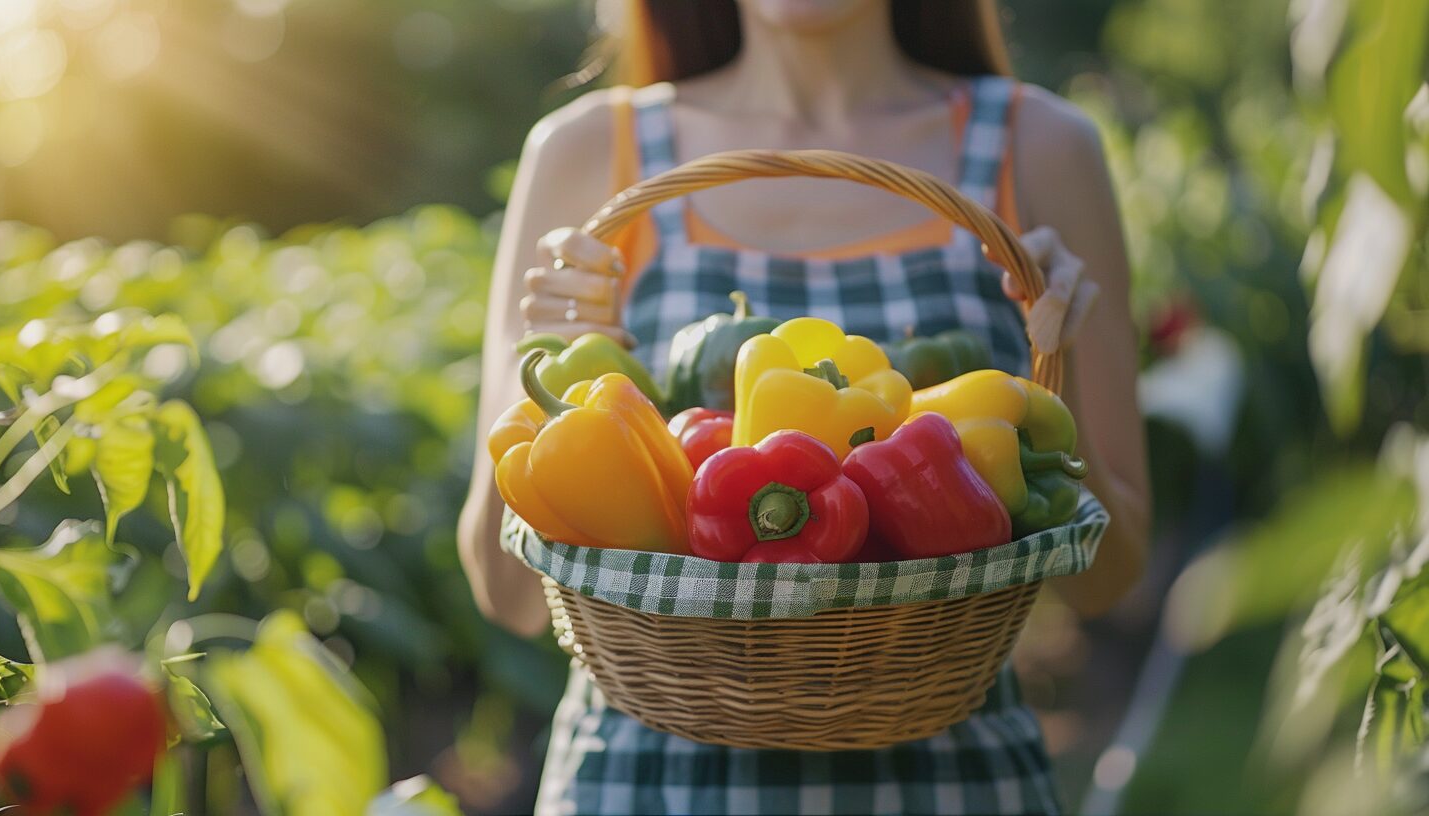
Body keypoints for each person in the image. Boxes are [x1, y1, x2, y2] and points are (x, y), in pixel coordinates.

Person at [459, 1, 1151, 813]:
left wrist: (1057, 355)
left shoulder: (1040, 147)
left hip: (947, 782)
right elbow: (505, 596)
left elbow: (1112, 580)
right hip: (646, 784)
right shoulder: (588, 152)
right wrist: (552, 367)